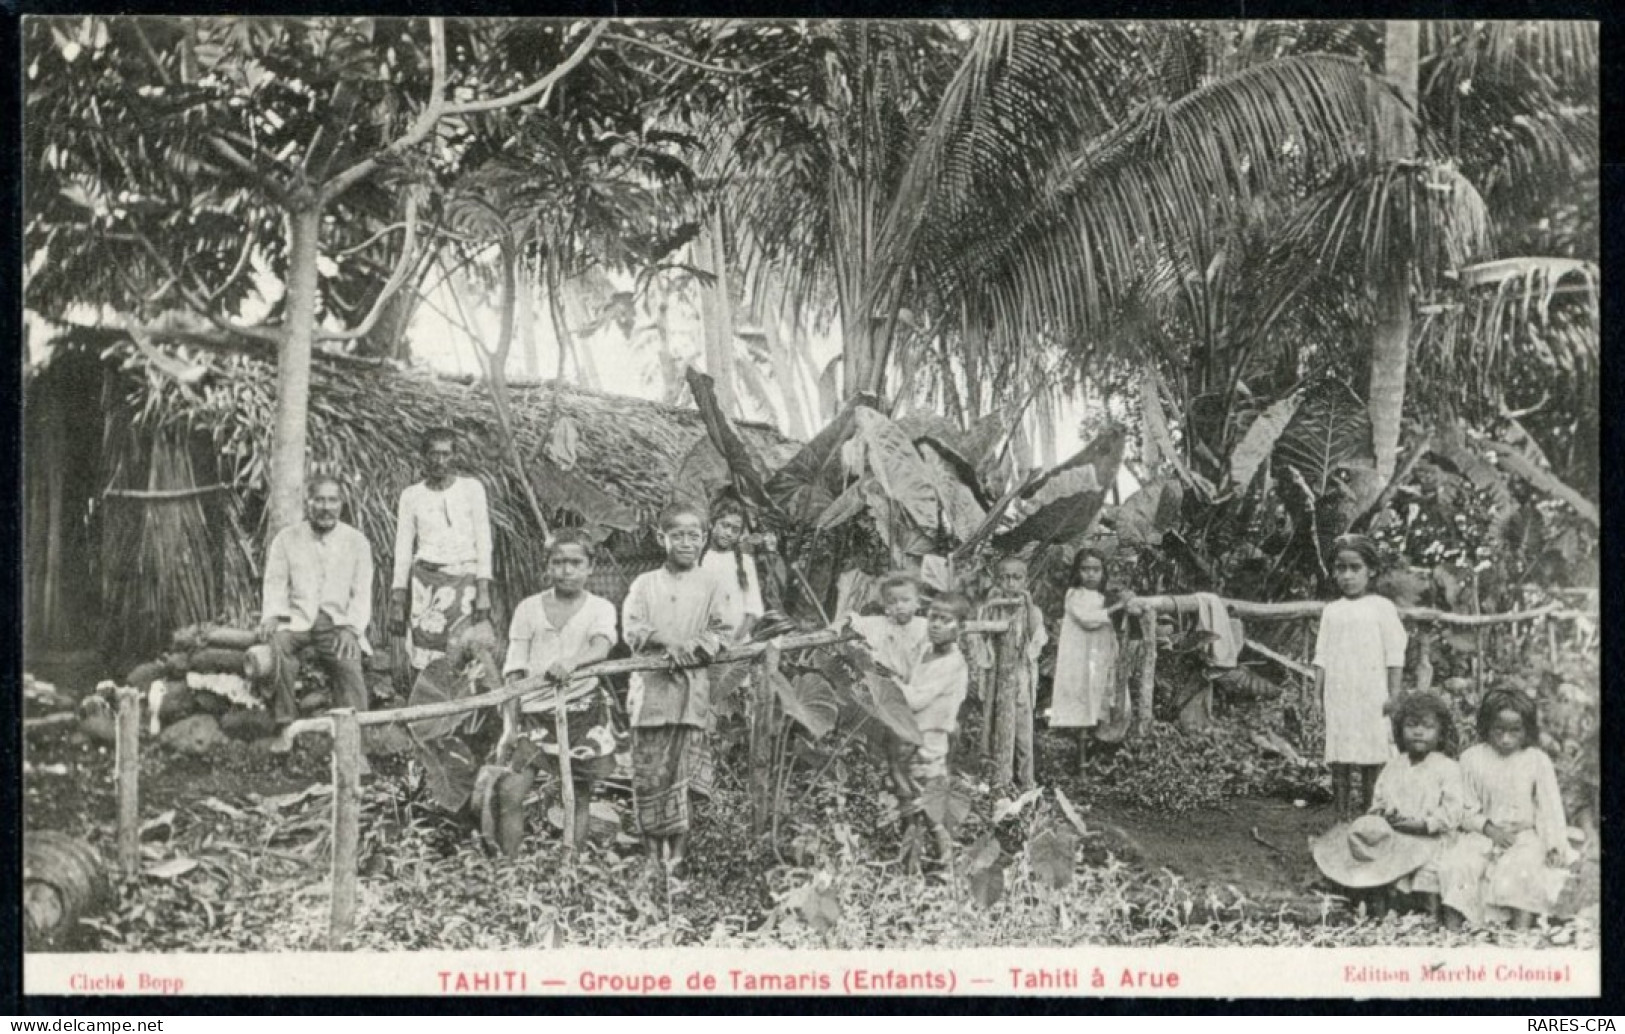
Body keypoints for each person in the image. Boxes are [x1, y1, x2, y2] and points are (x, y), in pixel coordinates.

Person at [621, 505, 736, 878]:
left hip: (691, 696)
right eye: (678, 535)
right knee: (649, 778)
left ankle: (678, 859)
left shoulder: (713, 585)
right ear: (661, 538)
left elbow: (723, 630)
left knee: (684, 780)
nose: (686, 542)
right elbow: (633, 628)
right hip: (650, 699)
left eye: (693, 535)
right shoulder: (644, 584)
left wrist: (697, 648)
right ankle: (653, 858)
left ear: (704, 540)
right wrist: (667, 641)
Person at [495, 530, 622, 854]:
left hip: (581, 713)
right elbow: (515, 666)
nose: (567, 570)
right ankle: (509, 871)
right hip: (535, 713)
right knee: (511, 792)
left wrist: (572, 662)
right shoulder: (528, 609)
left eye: (576, 563)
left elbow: (602, 645)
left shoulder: (601, 608)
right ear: (547, 567)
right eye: (559, 562)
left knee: (577, 794)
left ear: (590, 567)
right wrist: (510, 726)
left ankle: (571, 866)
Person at [1314, 691, 1463, 920]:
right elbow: (1379, 800)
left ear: (1441, 732)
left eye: (1427, 726)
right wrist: (1382, 814)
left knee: (1427, 873)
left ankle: (1426, 916)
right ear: (1400, 730)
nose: (1419, 732)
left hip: (1430, 838)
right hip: (1394, 836)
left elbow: (1452, 812)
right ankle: (1376, 907)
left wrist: (1423, 824)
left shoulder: (1448, 768)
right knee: (1370, 860)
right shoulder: (1394, 766)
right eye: (1411, 725)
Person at [1437, 690, 1573, 929]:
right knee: (1458, 864)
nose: (1506, 739)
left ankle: (1520, 932)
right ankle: (1453, 930)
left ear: (1527, 730)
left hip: (1523, 836)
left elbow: (1549, 808)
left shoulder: (1536, 760)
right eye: (1498, 730)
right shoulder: (1471, 759)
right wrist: (1488, 829)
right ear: (1486, 727)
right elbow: (1464, 807)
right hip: (1481, 834)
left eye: (1514, 731)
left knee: (1523, 867)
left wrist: (1554, 845)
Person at [258, 477, 373, 724]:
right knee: (277, 647)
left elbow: (361, 592)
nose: (325, 507)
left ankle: (356, 735)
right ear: (307, 502)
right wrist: (272, 614)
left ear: (341, 504)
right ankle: (285, 723)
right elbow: (275, 581)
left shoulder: (357, 542)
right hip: (297, 619)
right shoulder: (286, 539)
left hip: (336, 623)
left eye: (332, 500)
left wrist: (351, 629)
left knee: (348, 666)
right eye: (319, 499)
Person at [1314, 534, 1407, 819]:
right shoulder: (1332, 611)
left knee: (1372, 755)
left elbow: (1394, 655)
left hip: (1372, 695)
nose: (1347, 576)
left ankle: (1369, 818)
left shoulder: (1382, 608)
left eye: (1355, 568)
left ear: (1371, 571)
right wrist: (1317, 695)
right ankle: (1341, 818)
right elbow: (1322, 656)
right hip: (1340, 695)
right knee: (1340, 756)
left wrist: (1393, 696)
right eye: (1341, 569)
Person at [389, 428, 494, 674]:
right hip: (425, 583)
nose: (439, 461)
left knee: (466, 650)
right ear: (423, 456)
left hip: (464, 579)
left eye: (445, 454)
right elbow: (403, 549)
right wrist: (397, 598)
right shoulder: (411, 496)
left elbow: (483, 542)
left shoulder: (472, 489)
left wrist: (483, 590)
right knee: (425, 653)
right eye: (433, 454)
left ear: (455, 456)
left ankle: (464, 710)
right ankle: (428, 706)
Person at [892, 592, 972, 866]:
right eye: (932, 617)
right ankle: (912, 865)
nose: (935, 624)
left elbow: (916, 699)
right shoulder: (926, 651)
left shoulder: (951, 663)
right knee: (909, 800)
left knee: (930, 803)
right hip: (911, 737)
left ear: (959, 627)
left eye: (945, 620)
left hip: (931, 740)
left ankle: (947, 862)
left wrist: (891, 683)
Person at [974, 556, 1048, 791]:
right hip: (996, 677)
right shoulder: (991, 608)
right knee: (991, 723)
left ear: (1025, 581)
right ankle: (992, 776)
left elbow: (1036, 638)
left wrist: (1027, 607)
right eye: (1005, 577)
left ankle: (1026, 781)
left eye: (1016, 578)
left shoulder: (1032, 609)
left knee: (1023, 729)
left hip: (1020, 676)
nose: (1010, 583)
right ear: (997, 580)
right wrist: (990, 607)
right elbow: (981, 637)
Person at [1052, 548, 1117, 776]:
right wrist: (1115, 610)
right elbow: (1089, 620)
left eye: (1096, 570)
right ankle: (1079, 765)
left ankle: (1093, 760)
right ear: (1077, 571)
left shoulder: (1104, 598)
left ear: (1103, 572)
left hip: (1097, 657)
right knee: (1080, 701)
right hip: (1078, 658)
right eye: (1085, 569)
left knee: (1097, 700)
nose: (1090, 574)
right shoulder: (1074, 595)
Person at [700, 496, 765, 643]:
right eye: (725, 525)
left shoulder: (745, 562)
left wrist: (736, 641)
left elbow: (753, 610)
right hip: (705, 644)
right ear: (712, 524)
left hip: (738, 644)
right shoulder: (700, 560)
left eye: (735, 529)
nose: (729, 533)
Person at [845, 572, 930, 680]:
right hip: (887, 679)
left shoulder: (924, 626)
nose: (899, 606)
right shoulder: (880, 623)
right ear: (885, 606)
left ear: (918, 603)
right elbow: (854, 622)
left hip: (917, 680)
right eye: (892, 602)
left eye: (905, 600)